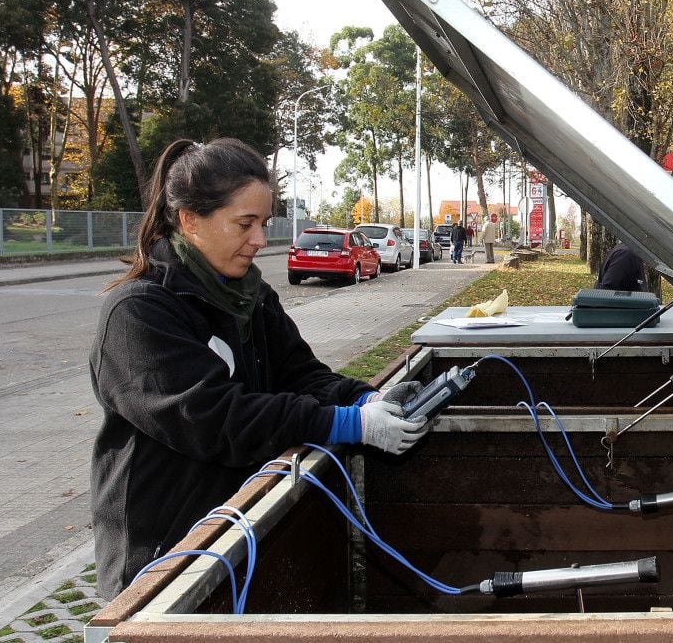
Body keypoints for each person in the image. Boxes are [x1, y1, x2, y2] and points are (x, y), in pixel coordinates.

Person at [89, 138, 430, 599]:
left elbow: (301, 373)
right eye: (244, 224)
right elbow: (214, 418)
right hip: (163, 563)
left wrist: (363, 398)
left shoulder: (250, 297)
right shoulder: (138, 314)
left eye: (263, 223)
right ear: (190, 220)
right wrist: (345, 423)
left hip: (235, 534)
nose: (259, 240)